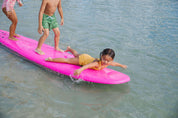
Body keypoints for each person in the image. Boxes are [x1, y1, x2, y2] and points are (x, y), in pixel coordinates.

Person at [45, 46, 127, 76]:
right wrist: (79, 70)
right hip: (83, 60)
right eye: (104, 59)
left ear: (111, 60)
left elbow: (115, 64)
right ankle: (51, 59)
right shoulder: (96, 63)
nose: (105, 62)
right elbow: (87, 66)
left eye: (108, 61)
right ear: (101, 56)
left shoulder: (109, 63)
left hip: (87, 57)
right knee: (68, 60)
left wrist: (122, 65)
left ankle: (69, 49)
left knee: (76, 54)